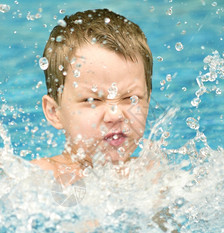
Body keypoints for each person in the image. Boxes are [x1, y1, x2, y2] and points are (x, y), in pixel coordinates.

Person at [31, 8, 153, 184]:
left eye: (129, 98)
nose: (115, 115)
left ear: (147, 101)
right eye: (92, 100)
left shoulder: (153, 176)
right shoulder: (39, 177)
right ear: (54, 112)